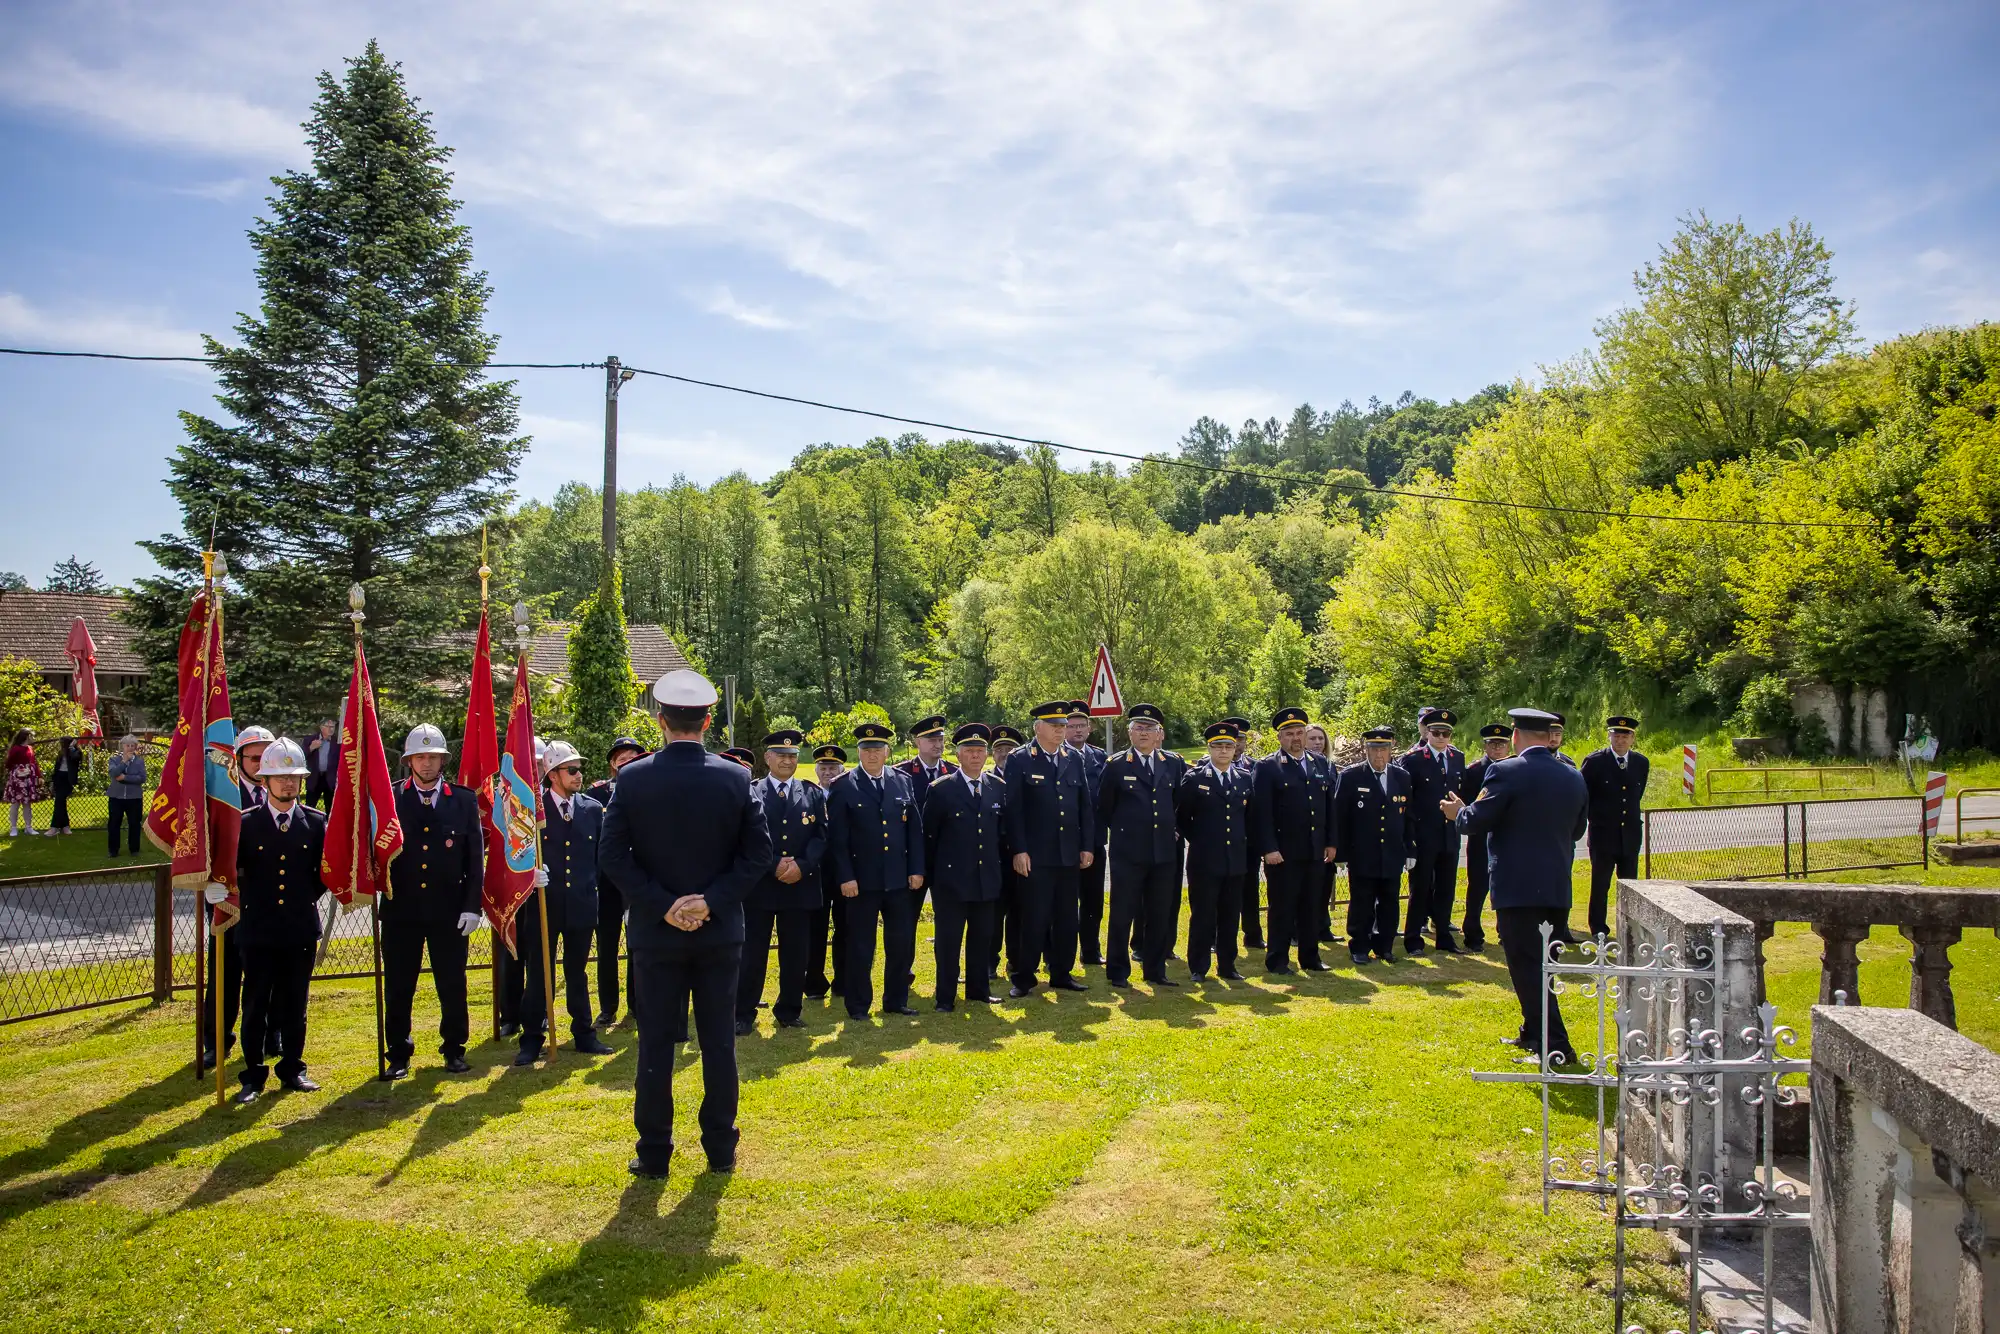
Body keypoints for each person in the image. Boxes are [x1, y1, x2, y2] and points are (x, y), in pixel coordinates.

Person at [599, 668, 774, 1178]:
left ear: (661, 720)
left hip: (657, 933)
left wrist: (664, 906)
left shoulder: (632, 778)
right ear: (707, 721)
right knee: (718, 1042)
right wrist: (709, 903)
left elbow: (612, 855)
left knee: (655, 1043)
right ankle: (720, 1148)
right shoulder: (735, 777)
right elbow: (758, 855)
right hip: (719, 932)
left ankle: (655, 1152)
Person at [1442, 707, 1589, 1065]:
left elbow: (1476, 820)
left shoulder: (1506, 770)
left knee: (1527, 968)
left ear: (1516, 735)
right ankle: (1534, 1032)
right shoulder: (1572, 775)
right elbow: (1577, 831)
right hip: (1555, 885)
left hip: (1519, 887)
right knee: (1543, 966)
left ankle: (1555, 1046)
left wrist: (1458, 812)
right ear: (1548, 736)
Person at [212, 737, 325, 1105]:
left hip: (298, 927)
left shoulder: (315, 823)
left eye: (294, 777)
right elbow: (230, 870)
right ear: (265, 780)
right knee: (255, 1004)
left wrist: (299, 901)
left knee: (295, 1004)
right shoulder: (245, 823)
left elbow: (322, 875)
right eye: (280, 777)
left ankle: (293, 1068)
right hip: (257, 929)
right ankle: (253, 1075)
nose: (288, 783)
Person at [380, 723, 485, 1080]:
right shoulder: (391, 798)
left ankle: (454, 1049)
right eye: (420, 757)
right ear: (409, 761)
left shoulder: (464, 800)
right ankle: (398, 1053)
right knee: (399, 985)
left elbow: (474, 859)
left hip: (449, 910)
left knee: (452, 983)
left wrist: (472, 906)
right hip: (402, 910)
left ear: (443, 761)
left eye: (434, 757)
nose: (427, 763)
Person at [515, 741, 615, 1064]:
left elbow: (600, 858)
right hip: (545, 904)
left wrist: (589, 888)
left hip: (581, 904)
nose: (578, 775)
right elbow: (516, 854)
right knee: (538, 973)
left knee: (577, 972)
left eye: (579, 768)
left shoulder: (591, 809)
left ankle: (584, 1034)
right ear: (552, 775)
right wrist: (529, 875)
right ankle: (531, 1039)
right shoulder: (534, 809)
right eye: (571, 770)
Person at [825, 721, 926, 1019]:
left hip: (898, 879)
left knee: (900, 943)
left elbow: (914, 830)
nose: (872, 754)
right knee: (860, 946)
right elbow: (837, 839)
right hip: (861, 881)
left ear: (886, 752)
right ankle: (858, 1005)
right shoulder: (844, 785)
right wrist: (846, 876)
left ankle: (896, 1000)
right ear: (858, 752)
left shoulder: (902, 781)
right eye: (866, 749)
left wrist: (916, 869)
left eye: (878, 749)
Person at [201, 723, 280, 1070]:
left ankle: (271, 1035)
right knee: (225, 973)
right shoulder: (223, 795)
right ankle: (217, 1040)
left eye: (266, 757)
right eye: (254, 758)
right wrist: (209, 882)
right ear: (239, 760)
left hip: (269, 901)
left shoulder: (281, 791)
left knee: (271, 974)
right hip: (230, 898)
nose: (261, 764)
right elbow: (206, 844)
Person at [1003, 701, 1095, 997]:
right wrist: (1019, 850)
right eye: (1054, 726)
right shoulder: (1020, 759)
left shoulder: (1072, 758)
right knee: (1034, 917)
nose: (1060, 731)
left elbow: (1084, 806)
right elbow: (1013, 810)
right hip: (1036, 856)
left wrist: (1087, 845)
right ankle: (1024, 977)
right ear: (1037, 728)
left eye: (1063, 726)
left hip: (1068, 853)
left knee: (1067, 918)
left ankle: (1061, 973)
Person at [737, 729, 825, 1033]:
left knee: (796, 953)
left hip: (799, 885)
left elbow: (821, 836)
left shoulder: (811, 793)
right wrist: (773, 864)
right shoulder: (752, 792)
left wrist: (802, 865)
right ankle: (743, 1013)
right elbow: (745, 838)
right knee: (752, 953)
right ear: (767, 758)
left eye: (792, 756)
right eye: (781, 755)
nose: (787, 761)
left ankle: (789, 1010)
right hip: (761, 886)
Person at [1098, 703, 1183, 988]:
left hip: (1163, 852)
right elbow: (1104, 808)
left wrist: (1174, 830)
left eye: (1149, 728)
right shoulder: (1116, 765)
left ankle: (1155, 970)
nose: (1144, 733)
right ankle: (1118, 972)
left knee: (1159, 913)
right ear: (1130, 733)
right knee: (1122, 913)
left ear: (1159, 733)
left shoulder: (1173, 762)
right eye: (1138, 728)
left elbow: (1179, 803)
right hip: (1128, 853)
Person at [922, 723, 1006, 1010]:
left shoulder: (997, 787)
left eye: (980, 750)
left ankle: (978, 990)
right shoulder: (942, 789)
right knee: (948, 941)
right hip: (951, 881)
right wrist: (932, 878)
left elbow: (1001, 835)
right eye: (969, 751)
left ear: (987, 755)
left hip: (986, 878)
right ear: (957, 755)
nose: (975, 756)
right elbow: (929, 837)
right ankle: (945, 996)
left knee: (982, 937)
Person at [1252, 707, 1336, 975]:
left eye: (1300, 733)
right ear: (1280, 738)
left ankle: (1310, 958)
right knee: (1282, 909)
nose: (1296, 738)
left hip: (1314, 849)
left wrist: (1331, 842)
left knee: (1312, 906)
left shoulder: (1319, 763)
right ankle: (1277, 960)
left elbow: (1328, 806)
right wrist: (1268, 848)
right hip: (1283, 853)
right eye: (1289, 734)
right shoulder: (1268, 767)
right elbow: (1261, 813)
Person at [1336, 727, 1416, 965]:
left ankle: (1385, 946)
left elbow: (1409, 816)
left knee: (1390, 901)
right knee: (1362, 901)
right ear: (1366, 750)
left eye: (1383, 749)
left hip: (1392, 851)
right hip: (1363, 852)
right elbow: (1340, 817)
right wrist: (1341, 852)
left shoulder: (1402, 777)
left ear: (1391, 750)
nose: (1379, 755)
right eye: (1374, 750)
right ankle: (1359, 946)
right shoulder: (1351, 776)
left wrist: (1410, 849)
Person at [1177, 722, 1250, 981]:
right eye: (1217, 746)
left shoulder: (1244, 778)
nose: (1223, 751)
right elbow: (1182, 818)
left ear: (1235, 748)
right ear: (1209, 749)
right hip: (1205, 860)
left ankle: (1228, 966)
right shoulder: (1195, 779)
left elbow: (1249, 818)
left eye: (1228, 746)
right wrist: (1201, 840)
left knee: (1230, 916)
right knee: (1203, 915)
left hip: (1235, 860)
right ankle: (1198, 967)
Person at [1395, 708, 1466, 955]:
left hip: (1449, 833)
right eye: (1436, 732)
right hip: (1424, 834)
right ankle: (1413, 939)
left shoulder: (1457, 757)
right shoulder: (1413, 759)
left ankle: (1444, 936)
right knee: (1420, 888)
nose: (1441, 737)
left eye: (1446, 733)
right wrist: (1410, 837)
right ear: (1427, 733)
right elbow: (1407, 800)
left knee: (1446, 888)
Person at [588, 736, 648, 1028]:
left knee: (639, 943)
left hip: (638, 878)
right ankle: (608, 1007)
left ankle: (637, 1004)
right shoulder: (596, 794)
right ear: (612, 764)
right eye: (621, 758)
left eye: (633, 757)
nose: (627, 762)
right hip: (607, 880)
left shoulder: (650, 790)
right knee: (607, 946)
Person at [1581, 716, 1649, 941]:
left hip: (1629, 834)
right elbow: (1585, 796)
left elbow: (1636, 795)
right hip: (1603, 834)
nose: (1620, 740)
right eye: (1616, 736)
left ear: (1632, 739)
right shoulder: (1595, 762)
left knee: (1630, 885)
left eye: (1625, 736)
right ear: (1609, 736)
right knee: (1601, 884)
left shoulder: (1640, 762)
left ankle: (1629, 927)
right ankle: (1598, 928)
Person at [1458, 725, 1513, 950]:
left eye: (1502, 744)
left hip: (1506, 837)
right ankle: (1472, 934)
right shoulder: (1474, 771)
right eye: (1493, 744)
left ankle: (1506, 931)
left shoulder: (1514, 769)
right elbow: (1467, 804)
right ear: (1485, 746)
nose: (1497, 748)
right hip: (1480, 837)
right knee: (1478, 887)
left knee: (1507, 887)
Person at [1065, 702, 1111, 966]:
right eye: (1072, 726)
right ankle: (1059, 954)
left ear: (1090, 727)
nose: (1077, 730)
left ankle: (1091, 950)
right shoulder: (1057, 756)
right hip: (1065, 842)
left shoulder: (1100, 757)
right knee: (1063, 902)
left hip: (1094, 841)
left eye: (1082, 725)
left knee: (1093, 900)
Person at [807, 743, 848, 1001]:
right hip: (816, 873)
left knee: (845, 927)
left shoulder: (849, 794)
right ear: (816, 770)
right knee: (815, 929)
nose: (828, 772)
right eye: (823, 767)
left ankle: (842, 981)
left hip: (844, 872)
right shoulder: (807, 795)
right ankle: (813, 983)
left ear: (842, 770)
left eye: (833, 767)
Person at [1221, 716, 1265, 951]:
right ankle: (1217, 936)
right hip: (1221, 841)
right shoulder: (1207, 765)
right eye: (1233, 739)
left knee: (1250, 889)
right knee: (1220, 891)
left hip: (1247, 840)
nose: (1237, 744)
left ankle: (1253, 934)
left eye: (1241, 739)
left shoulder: (1255, 767)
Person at [987, 725, 1023, 982]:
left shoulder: (1025, 778)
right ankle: (989, 962)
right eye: (999, 749)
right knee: (993, 914)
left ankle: (1016, 960)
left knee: (1019, 912)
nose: (1004, 754)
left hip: (1021, 857)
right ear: (993, 754)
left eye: (1010, 749)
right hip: (994, 858)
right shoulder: (987, 782)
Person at [1302, 723, 1340, 946]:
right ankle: (1300, 930)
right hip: (1305, 838)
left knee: (1325, 884)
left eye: (1321, 738)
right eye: (1313, 738)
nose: (1317, 743)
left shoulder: (1328, 766)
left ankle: (1323, 927)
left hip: (1325, 836)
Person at [895, 714, 957, 803]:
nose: (938, 745)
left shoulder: (954, 772)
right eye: (932, 740)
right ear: (918, 742)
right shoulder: (901, 774)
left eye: (940, 740)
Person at [106, 734, 146, 856]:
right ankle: (113, 850)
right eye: (127, 745)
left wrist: (125, 777)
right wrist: (124, 762)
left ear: (135, 747)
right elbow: (113, 773)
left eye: (132, 745)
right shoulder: (114, 760)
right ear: (122, 746)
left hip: (134, 798)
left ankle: (134, 849)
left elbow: (142, 778)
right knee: (114, 823)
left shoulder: (139, 762)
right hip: (116, 797)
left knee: (134, 823)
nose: (130, 748)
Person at [5, 730, 41, 838]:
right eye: (31, 736)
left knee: (27, 803)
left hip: (28, 778)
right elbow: (8, 763)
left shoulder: (30, 748)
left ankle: (28, 827)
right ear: (26, 736)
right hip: (17, 779)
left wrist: (39, 776)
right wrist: (17, 769)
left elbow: (34, 763)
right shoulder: (16, 749)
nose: (33, 738)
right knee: (15, 803)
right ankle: (13, 828)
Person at [234, 725, 275, 812]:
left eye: (267, 759)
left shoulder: (283, 790)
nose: (262, 763)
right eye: (256, 758)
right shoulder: (227, 795)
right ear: (239, 759)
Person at [47, 735, 81, 835]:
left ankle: (54, 827)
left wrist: (71, 747)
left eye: (62, 743)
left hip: (68, 779)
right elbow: (56, 768)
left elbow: (75, 758)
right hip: (59, 778)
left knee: (59, 801)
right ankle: (65, 827)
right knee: (60, 802)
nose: (61, 745)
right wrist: (52, 782)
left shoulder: (76, 752)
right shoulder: (60, 753)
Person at [304, 718, 340, 810]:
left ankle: (329, 820)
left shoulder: (337, 742)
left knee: (330, 809)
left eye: (332, 727)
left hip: (330, 780)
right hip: (314, 779)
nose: (330, 729)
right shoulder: (310, 740)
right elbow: (302, 756)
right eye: (328, 726)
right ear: (321, 727)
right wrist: (311, 748)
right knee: (309, 807)